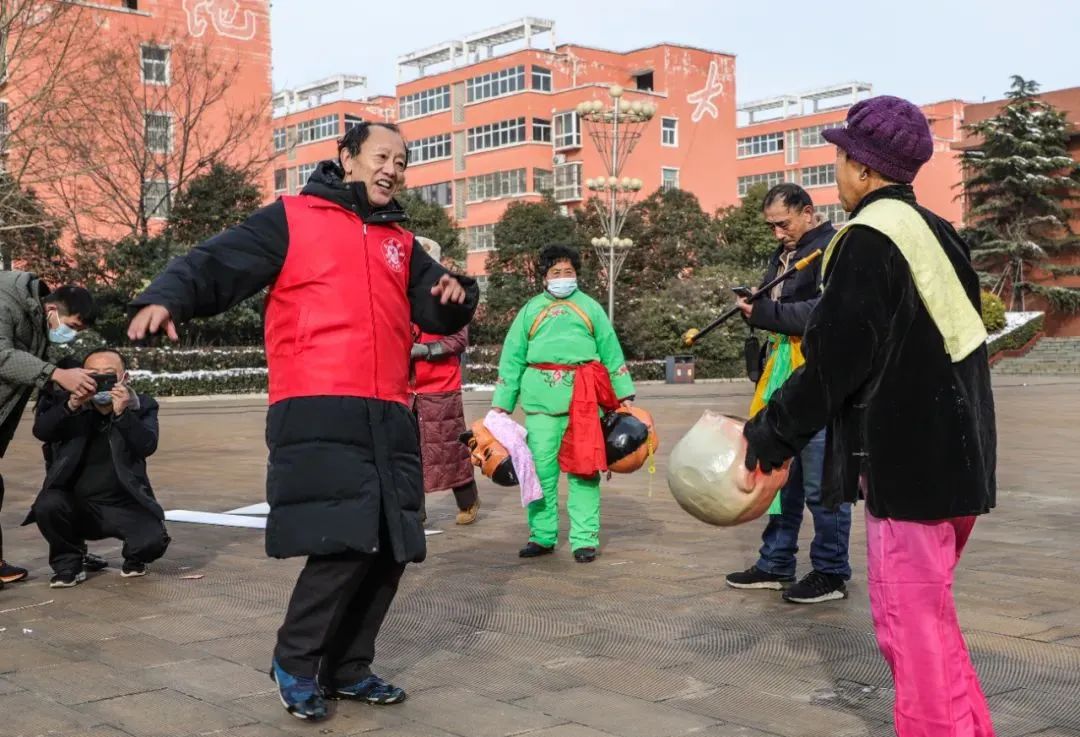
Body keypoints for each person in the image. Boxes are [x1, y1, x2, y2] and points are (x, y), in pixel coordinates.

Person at [127, 121, 478, 721]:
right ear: (347, 158)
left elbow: (438, 311)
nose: (392, 169)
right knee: (342, 541)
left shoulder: (400, 241)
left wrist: (456, 295)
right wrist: (166, 296)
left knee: (394, 543)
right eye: (381, 157)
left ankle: (349, 668)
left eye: (402, 160)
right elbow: (216, 261)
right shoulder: (293, 217)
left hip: (391, 406)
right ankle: (296, 660)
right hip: (317, 401)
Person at [743, 96, 996, 736]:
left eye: (840, 155)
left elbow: (836, 360)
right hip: (958, 462)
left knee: (909, 629)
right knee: (931, 623)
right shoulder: (938, 231)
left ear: (861, 166)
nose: (837, 168)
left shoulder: (867, 240)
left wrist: (772, 431)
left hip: (908, 469)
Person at [725, 183, 853, 604]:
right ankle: (776, 561)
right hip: (779, 373)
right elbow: (774, 307)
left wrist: (766, 312)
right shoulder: (784, 254)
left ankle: (831, 571)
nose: (778, 233)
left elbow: (825, 313)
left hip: (815, 377)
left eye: (783, 224)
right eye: (772, 226)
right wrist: (754, 305)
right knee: (778, 476)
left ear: (808, 212)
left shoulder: (833, 249)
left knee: (820, 482)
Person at [492, 244, 634, 564]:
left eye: (568, 272)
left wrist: (624, 394)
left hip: (584, 403)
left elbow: (610, 351)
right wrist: (502, 403)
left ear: (577, 275)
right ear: (544, 278)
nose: (562, 277)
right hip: (540, 405)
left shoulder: (591, 308)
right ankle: (541, 535)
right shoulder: (530, 310)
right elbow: (512, 358)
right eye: (556, 272)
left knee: (584, 472)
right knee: (539, 472)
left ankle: (584, 539)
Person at [26, 349, 169, 587]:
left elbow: (147, 445)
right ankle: (68, 563)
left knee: (152, 541)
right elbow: (43, 431)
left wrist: (123, 413)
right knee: (47, 504)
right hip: (76, 505)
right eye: (94, 375)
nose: (101, 381)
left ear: (125, 378)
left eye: (109, 375)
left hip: (124, 505)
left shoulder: (142, 405)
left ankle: (135, 559)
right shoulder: (71, 406)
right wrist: (72, 405)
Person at [0, 273, 98, 590]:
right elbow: (1, 355)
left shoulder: (38, 321)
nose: (70, 334)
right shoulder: (6, 300)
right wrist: (54, 373)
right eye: (73, 325)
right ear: (52, 308)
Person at [411, 324, 480, 526]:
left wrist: (427, 349)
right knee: (409, 452)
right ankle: (415, 513)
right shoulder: (401, 300)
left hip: (440, 386)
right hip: (406, 388)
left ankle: (468, 501)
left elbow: (458, 339)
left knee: (451, 449)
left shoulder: (447, 303)